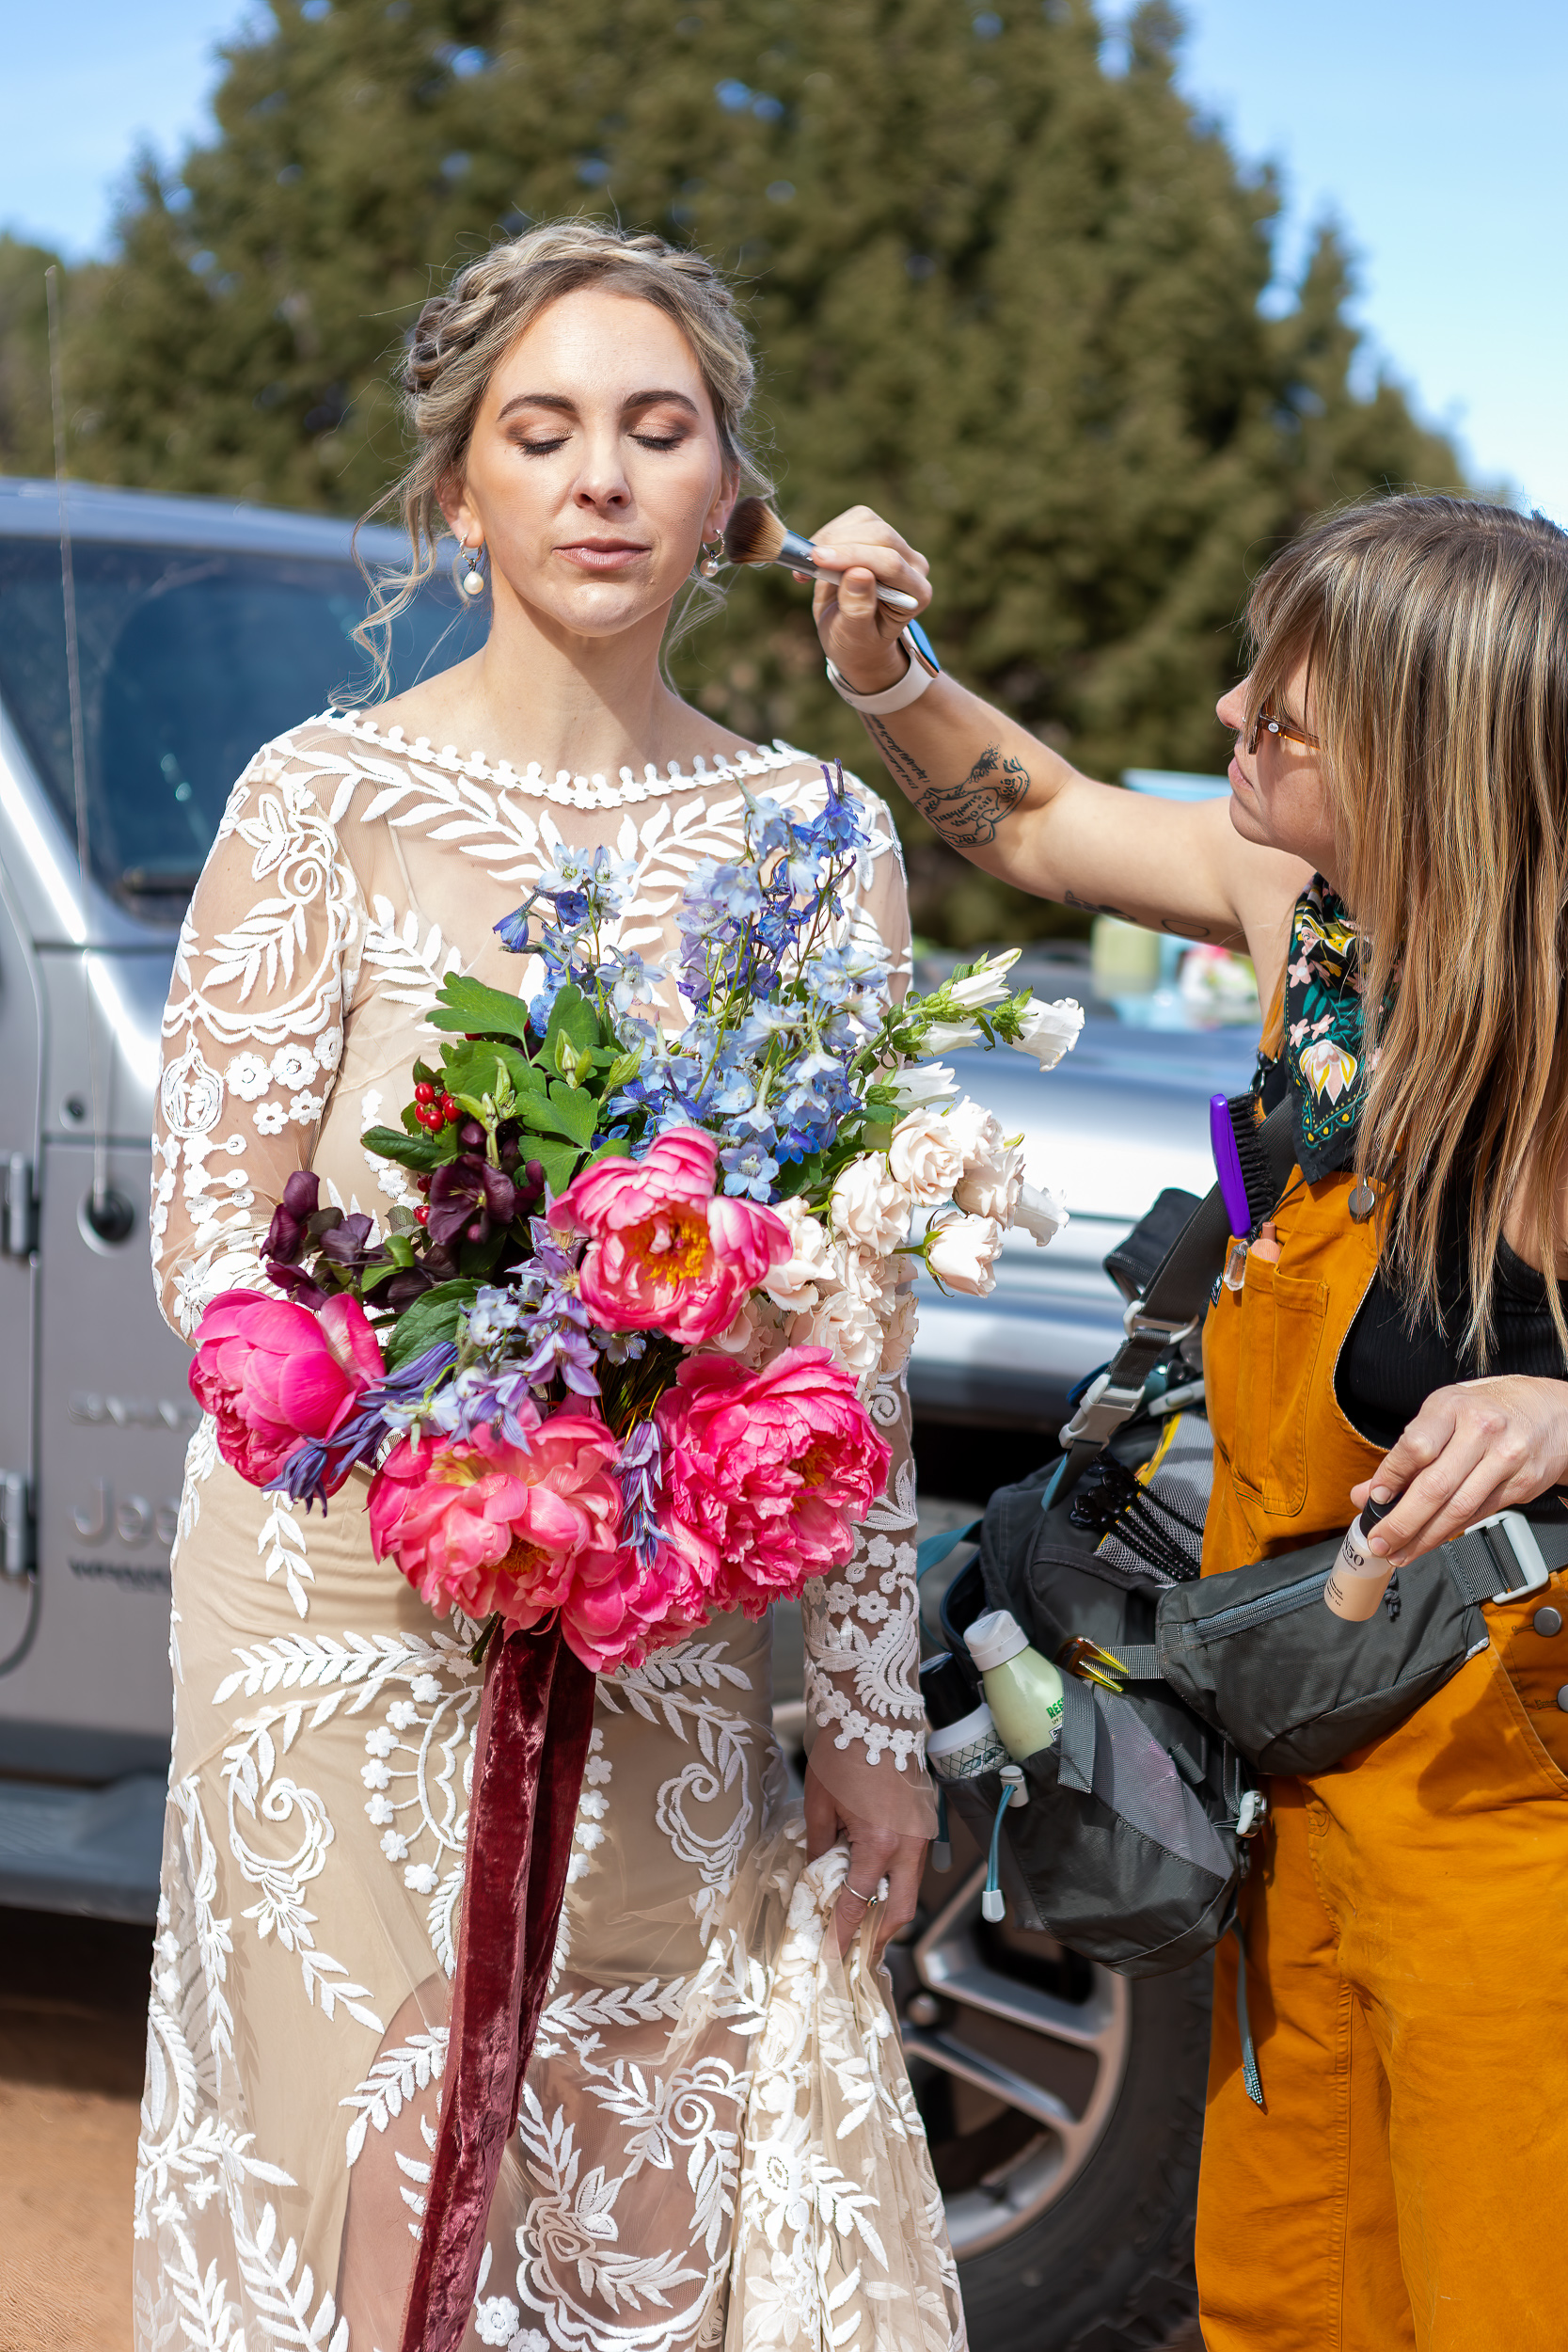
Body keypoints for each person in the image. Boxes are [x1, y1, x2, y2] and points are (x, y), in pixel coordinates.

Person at [135, 223, 964, 2352]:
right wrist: (471, 1416)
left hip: (669, 1616)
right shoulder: (321, 802)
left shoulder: (816, 833)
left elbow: (849, 1314)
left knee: (622, 2222)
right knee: (365, 2190)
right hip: (343, 1610)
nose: (599, 474)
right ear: (459, 489)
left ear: (728, 499)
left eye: (654, 429)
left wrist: (870, 1708)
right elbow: (212, 1248)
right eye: (544, 428)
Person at [805, 491, 1568, 2351]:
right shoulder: (1304, 915)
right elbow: (1044, 821)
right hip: (1285, 1756)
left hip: (1508, 1799)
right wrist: (884, 670)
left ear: (1414, 752)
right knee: (1286, 2273)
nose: (1227, 711)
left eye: (1279, 713)